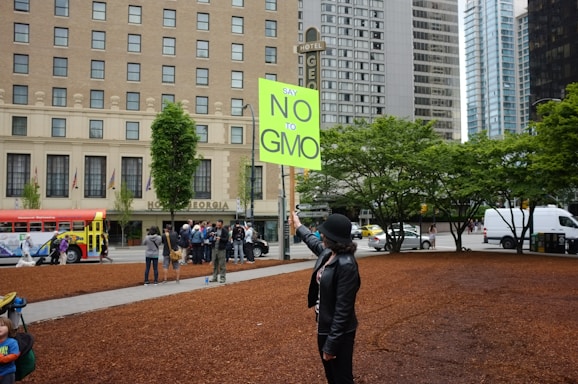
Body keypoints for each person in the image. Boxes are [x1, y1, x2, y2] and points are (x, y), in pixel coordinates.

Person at [289, 212, 361, 384]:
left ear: (333, 237)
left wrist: (331, 344)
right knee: (331, 376)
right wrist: (298, 225)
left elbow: (343, 310)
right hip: (324, 326)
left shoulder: (347, 265)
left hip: (338, 333)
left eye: (325, 233)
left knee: (342, 378)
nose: (321, 235)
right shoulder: (329, 253)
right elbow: (311, 240)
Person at [0, 317, 20, 384]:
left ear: (9, 328)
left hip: (7, 373)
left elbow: (15, 355)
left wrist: (3, 359)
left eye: (2, 325)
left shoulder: (12, 342)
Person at [210, 219, 229, 284]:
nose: (218, 226)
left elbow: (226, 239)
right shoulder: (214, 229)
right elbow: (207, 235)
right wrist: (211, 234)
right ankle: (214, 277)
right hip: (214, 248)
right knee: (214, 264)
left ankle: (222, 277)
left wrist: (220, 239)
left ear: (222, 224)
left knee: (222, 264)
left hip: (221, 249)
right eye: (217, 224)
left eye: (219, 225)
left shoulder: (225, 231)